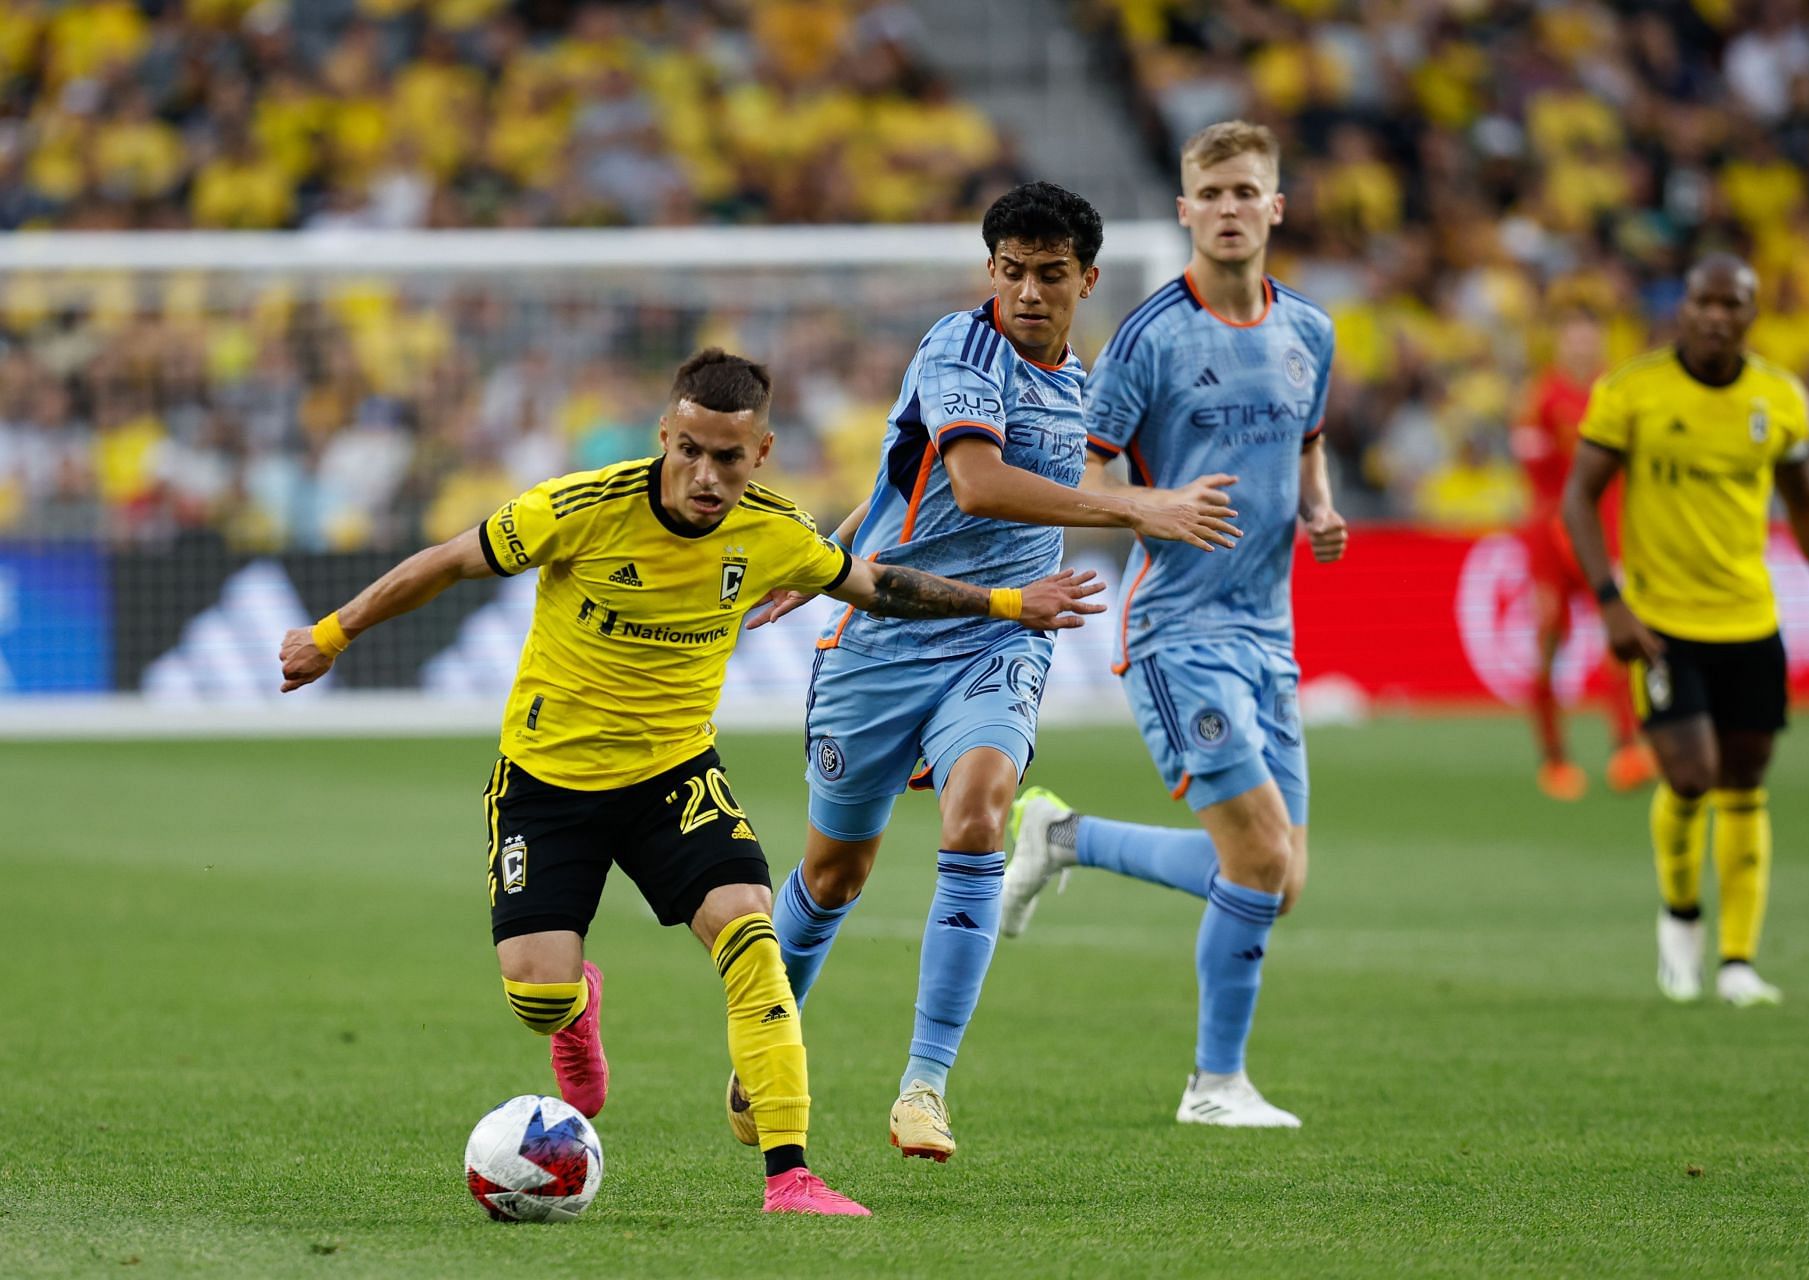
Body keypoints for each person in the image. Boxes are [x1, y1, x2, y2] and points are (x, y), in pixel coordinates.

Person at [277, 348, 1104, 1215]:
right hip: (546, 781)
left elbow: (878, 585)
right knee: (536, 992)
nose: (707, 476)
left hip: (674, 774)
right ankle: (575, 1007)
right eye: (692, 451)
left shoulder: (775, 531)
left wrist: (1009, 605)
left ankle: (790, 1175)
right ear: (664, 435)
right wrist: (333, 633)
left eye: (730, 458)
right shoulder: (577, 508)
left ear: (763, 454)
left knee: (750, 934)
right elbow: (447, 561)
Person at [745, 182, 1238, 1163]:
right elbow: (968, 480)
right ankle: (767, 1039)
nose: (1027, 291)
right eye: (1010, 270)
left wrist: (831, 550)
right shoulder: (959, 348)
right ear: (990, 273)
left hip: (1003, 635)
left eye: (1050, 274)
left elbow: (897, 471)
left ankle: (923, 1085)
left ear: (1086, 279)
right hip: (889, 631)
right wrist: (837, 572)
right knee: (836, 872)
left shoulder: (1079, 380)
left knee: (979, 811)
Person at [1000, 120, 1344, 1128]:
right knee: (1259, 859)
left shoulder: (1310, 333)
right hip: (1177, 630)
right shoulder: (1151, 336)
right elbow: (1084, 470)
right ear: (1185, 210)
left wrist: (1318, 507)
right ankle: (1214, 1084)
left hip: (1269, 632)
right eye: (1212, 193)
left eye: (1248, 192)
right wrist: (1149, 507)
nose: (1230, 210)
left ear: (1274, 206)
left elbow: (1307, 439)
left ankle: (1061, 834)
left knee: (1277, 879)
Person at [1563, 254, 1809, 1008]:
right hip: (1662, 623)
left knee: (1747, 781)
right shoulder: (1633, 391)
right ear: (1683, 308)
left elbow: (1805, 505)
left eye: (1734, 305)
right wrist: (1611, 602)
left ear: (1751, 315)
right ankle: (1680, 918)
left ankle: (1737, 962)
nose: (1717, 316)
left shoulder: (1779, 399)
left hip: (1750, 619)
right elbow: (1579, 499)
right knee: (1690, 775)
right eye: (1705, 302)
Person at [1510, 310, 1656, 801]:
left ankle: (1627, 748)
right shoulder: (1540, 398)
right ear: (1559, 345)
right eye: (1571, 339)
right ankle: (1554, 758)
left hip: (1604, 532)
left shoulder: (1616, 395)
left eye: (1587, 339)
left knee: (1620, 636)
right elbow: (1534, 472)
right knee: (1550, 642)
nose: (1579, 348)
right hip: (1552, 537)